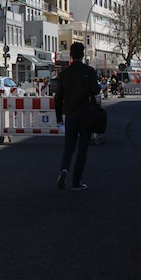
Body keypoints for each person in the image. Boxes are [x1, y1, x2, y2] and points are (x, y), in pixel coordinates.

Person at [54, 42, 100, 192]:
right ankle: (76, 182)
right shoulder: (89, 71)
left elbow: (58, 97)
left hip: (70, 113)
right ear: (83, 54)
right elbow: (95, 90)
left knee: (69, 146)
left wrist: (59, 116)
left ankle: (64, 169)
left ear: (71, 55)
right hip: (85, 113)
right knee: (82, 148)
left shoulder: (64, 73)